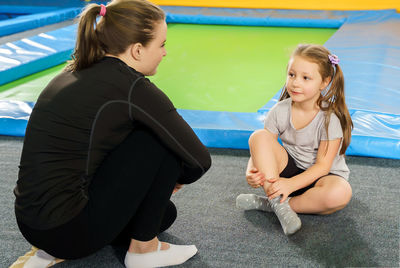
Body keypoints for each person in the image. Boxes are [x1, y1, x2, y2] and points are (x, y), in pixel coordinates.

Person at [14, 1, 211, 267]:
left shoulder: (73, 71)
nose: (165, 53)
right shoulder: (131, 87)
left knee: (164, 215)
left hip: (30, 224)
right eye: (162, 44)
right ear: (138, 50)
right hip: (68, 230)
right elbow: (199, 160)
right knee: (158, 138)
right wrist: (173, 176)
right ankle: (144, 251)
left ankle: (51, 252)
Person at [236, 44, 353, 235]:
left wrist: (291, 185)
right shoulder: (280, 110)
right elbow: (262, 146)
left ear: (324, 82)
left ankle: (273, 204)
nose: (296, 83)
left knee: (340, 194)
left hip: (322, 178)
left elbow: (323, 166)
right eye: (292, 75)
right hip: (287, 172)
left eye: (306, 78)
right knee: (259, 136)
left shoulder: (330, 117)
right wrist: (251, 170)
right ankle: (279, 203)